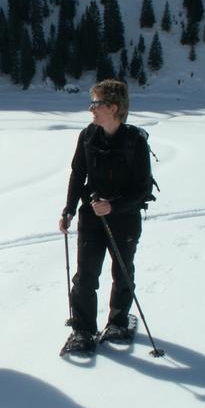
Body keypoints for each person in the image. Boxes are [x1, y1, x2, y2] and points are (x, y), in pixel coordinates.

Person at [59, 79, 153, 354]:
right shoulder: (88, 135)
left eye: (96, 103)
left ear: (113, 108)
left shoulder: (135, 141)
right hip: (92, 215)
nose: (91, 108)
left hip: (124, 217)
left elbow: (143, 189)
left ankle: (118, 322)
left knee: (122, 271)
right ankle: (83, 330)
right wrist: (69, 209)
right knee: (85, 275)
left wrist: (115, 207)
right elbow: (78, 174)